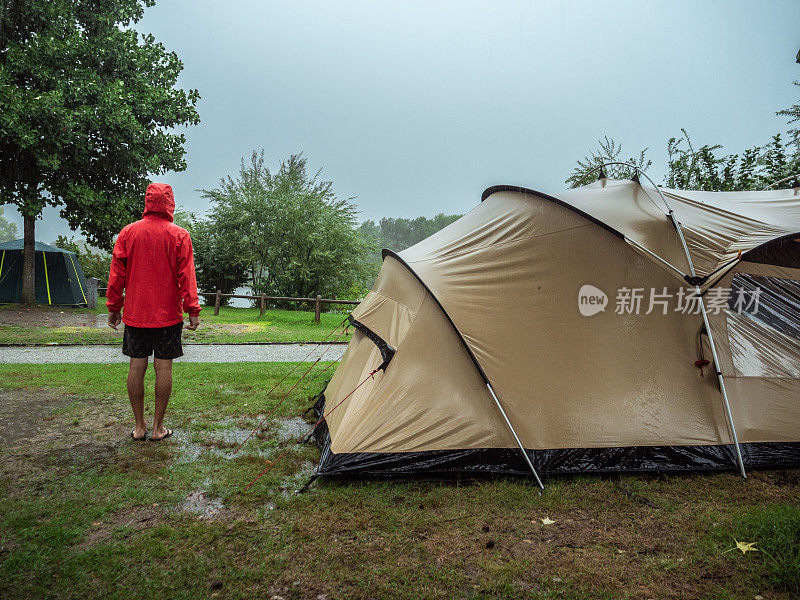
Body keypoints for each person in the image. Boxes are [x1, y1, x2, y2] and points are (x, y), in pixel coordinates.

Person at [106, 183, 201, 441]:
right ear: (170, 202)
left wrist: (114, 307)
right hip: (168, 315)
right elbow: (186, 276)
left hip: (136, 314)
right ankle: (159, 428)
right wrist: (192, 308)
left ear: (147, 202)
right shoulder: (179, 235)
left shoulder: (128, 233)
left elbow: (117, 275)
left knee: (136, 366)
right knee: (164, 367)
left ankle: (139, 427)